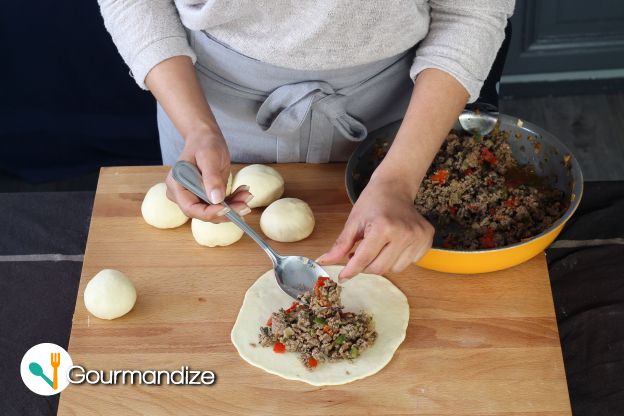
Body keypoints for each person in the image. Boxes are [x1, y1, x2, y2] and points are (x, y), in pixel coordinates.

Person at [98, 0, 515, 280]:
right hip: (205, 106)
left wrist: (398, 179)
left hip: (400, 122)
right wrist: (197, 128)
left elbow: (471, 10)